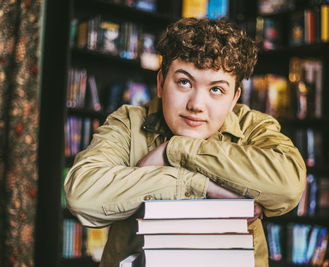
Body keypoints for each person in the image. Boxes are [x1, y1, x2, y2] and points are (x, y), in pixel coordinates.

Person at [64, 17, 306, 267]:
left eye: (216, 90)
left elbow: (288, 187)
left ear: (234, 99)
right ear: (160, 83)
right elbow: (82, 197)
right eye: (184, 82)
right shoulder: (129, 122)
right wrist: (201, 184)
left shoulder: (253, 127)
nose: (196, 105)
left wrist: (175, 150)